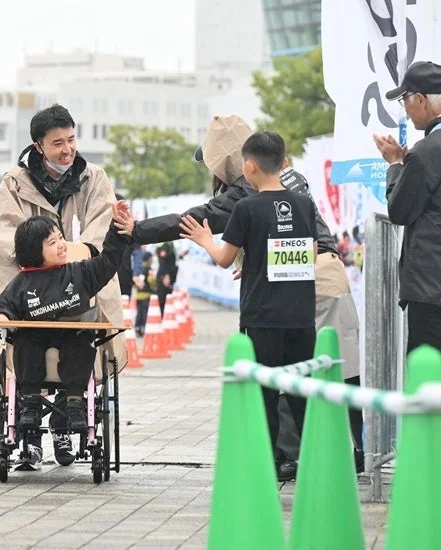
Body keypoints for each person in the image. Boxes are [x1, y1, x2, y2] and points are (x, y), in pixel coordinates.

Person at [115, 115, 364, 479]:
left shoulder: (246, 198)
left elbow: (193, 223)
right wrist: (262, 263)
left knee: (279, 378)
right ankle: (350, 452)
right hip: (326, 275)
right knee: (339, 370)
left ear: (242, 164)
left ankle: (286, 460)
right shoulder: (294, 182)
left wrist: (136, 230)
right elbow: (299, 242)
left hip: (295, 291)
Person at [0, 103, 126, 468]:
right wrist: (38, 260)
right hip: (30, 289)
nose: (67, 149)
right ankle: (27, 435)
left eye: (71, 139)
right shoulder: (15, 181)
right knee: (22, 346)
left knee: (84, 345)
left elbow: (101, 231)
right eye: (57, 142)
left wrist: (71, 259)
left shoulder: (94, 177)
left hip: (78, 289)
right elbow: (5, 236)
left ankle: (64, 425)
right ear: (38, 146)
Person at [179, 131, 316, 480]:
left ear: (248, 167)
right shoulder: (304, 204)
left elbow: (224, 259)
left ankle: (266, 466)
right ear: (284, 164)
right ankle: (317, 463)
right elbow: (309, 254)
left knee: (265, 393)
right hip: (301, 316)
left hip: (262, 317)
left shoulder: (246, 207)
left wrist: (205, 240)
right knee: (303, 391)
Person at [0, 203, 132, 470]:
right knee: (25, 341)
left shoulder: (79, 272)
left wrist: (117, 229)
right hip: (35, 339)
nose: (62, 245)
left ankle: (76, 403)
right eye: (53, 242)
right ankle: (29, 403)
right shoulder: (23, 281)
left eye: (60, 238)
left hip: (72, 336)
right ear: (34, 252)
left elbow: (109, 261)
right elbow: (2, 306)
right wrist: (3, 318)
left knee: (82, 344)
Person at [374, 60, 441, 352]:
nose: (405, 110)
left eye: (405, 100)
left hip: (431, 287)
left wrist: (396, 165)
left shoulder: (426, 152)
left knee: (428, 377)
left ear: (422, 100)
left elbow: (399, 210)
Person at [133, 252, 156, 337]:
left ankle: (137, 327)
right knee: (145, 313)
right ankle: (143, 327)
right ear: (149, 259)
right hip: (147, 296)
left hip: (139, 296)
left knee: (139, 313)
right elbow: (152, 282)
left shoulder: (139, 269)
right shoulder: (149, 269)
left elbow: (135, 283)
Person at [155, 242, 178, 317]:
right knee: (163, 300)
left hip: (169, 276)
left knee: (167, 299)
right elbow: (162, 261)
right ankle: (162, 318)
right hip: (164, 277)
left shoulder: (170, 244)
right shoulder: (165, 245)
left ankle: (165, 318)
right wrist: (166, 275)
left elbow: (171, 261)